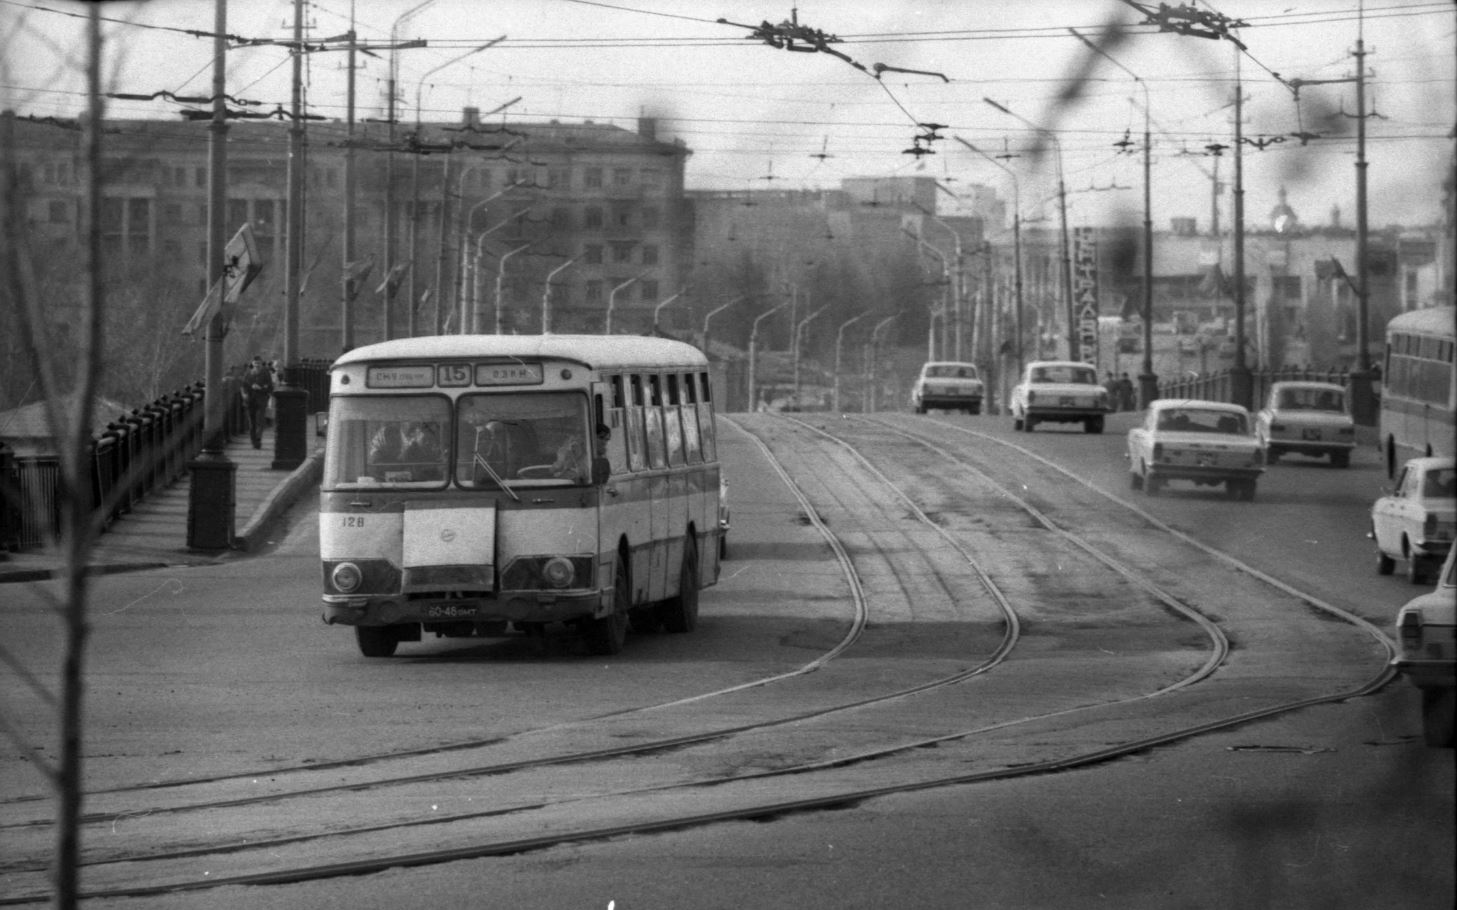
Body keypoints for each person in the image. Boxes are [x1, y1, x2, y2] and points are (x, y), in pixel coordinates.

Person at [240, 355, 274, 449]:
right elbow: (243, 386)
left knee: (260, 420)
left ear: (261, 364)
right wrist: (244, 394)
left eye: (259, 363)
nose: (257, 365)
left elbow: (270, 387)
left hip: (261, 399)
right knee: (252, 422)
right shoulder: (248, 373)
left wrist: (261, 388)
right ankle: (253, 441)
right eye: (255, 363)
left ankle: (258, 439)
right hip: (250, 400)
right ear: (252, 364)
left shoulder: (265, 373)